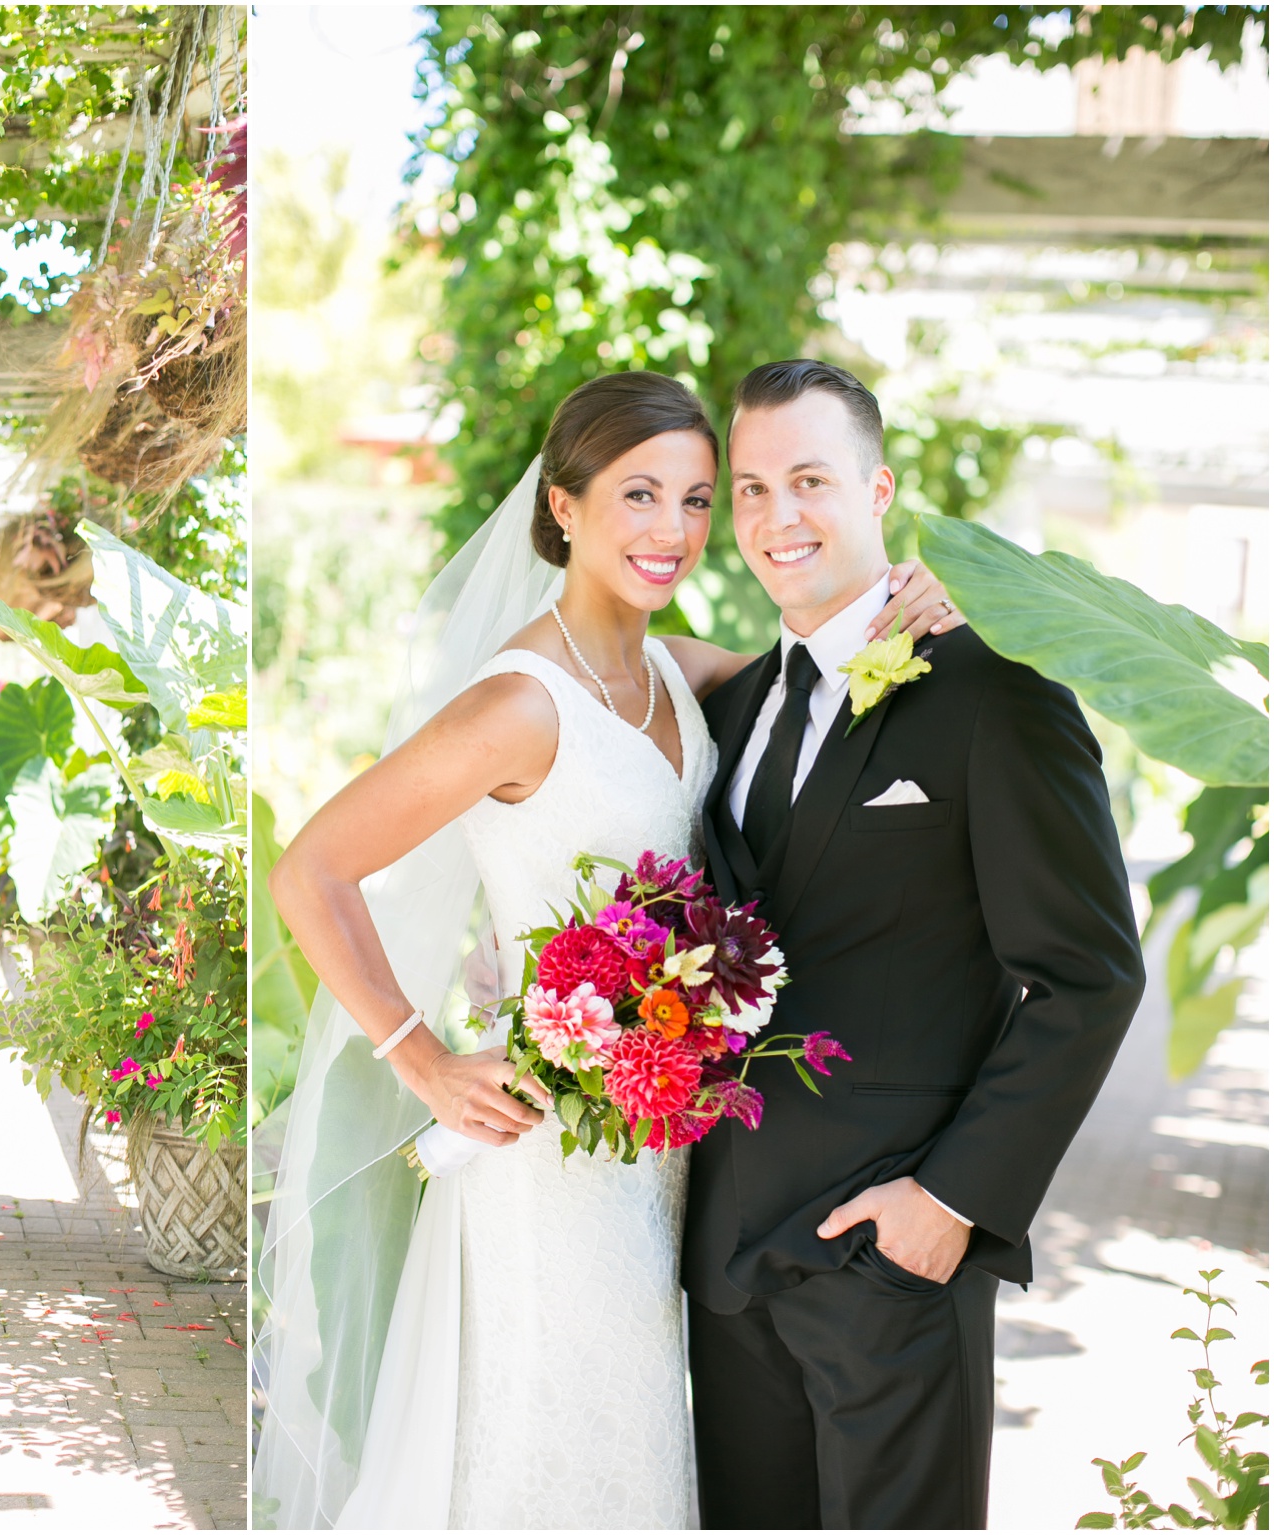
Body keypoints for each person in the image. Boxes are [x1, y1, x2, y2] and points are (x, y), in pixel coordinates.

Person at [253, 370, 960, 1529]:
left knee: (633, 1452)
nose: (670, 530)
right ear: (563, 505)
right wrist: (422, 1057)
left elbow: (824, 677)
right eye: (637, 494)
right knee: (558, 1454)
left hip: (659, 1157)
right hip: (546, 1160)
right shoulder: (517, 705)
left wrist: (918, 594)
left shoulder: (679, 673)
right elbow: (309, 868)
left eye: (693, 499)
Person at [683, 360, 1144, 1530]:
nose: (775, 517)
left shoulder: (994, 693)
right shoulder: (725, 710)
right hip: (726, 1269)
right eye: (747, 489)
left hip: (889, 1262)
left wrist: (948, 1200)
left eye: (807, 480)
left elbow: (1088, 973)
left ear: (875, 487)